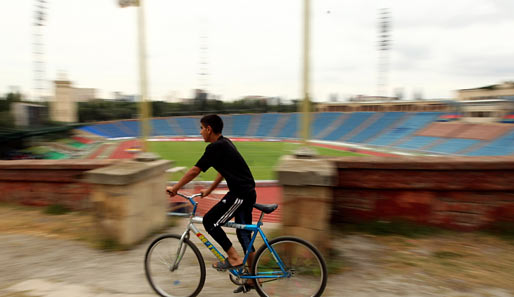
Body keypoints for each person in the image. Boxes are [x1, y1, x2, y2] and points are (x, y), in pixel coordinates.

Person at [166, 114, 256, 293]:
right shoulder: (225, 143)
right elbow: (223, 170)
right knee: (244, 235)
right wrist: (210, 190)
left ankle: (233, 258)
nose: (200, 132)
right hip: (247, 192)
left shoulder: (215, 148)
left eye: (201, 128)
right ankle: (253, 280)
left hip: (240, 194)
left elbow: (194, 170)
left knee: (210, 222)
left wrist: (175, 188)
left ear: (209, 129)